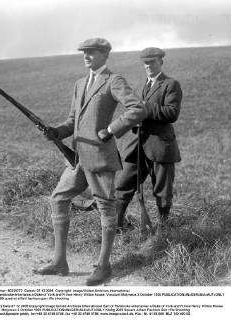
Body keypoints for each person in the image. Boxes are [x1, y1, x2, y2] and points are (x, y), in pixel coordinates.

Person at [33, 38, 148, 285]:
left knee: (106, 208)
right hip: (77, 159)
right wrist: (56, 132)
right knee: (58, 198)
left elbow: (137, 109)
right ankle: (59, 261)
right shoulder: (80, 83)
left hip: (100, 158)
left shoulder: (113, 81)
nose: (86, 56)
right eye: (84, 52)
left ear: (105, 54)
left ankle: (104, 266)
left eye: (91, 52)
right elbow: (73, 119)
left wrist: (110, 130)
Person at [116, 47, 183, 243]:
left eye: (152, 62)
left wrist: (144, 108)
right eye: (145, 63)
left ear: (161, 61)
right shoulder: (143, 85)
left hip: (161, 147)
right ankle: (117, 228)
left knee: (162, 191)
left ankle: (164, 232)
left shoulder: (171, 84)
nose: (148, 66)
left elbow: (172, 113)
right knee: (123, 185)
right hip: (139, 146)